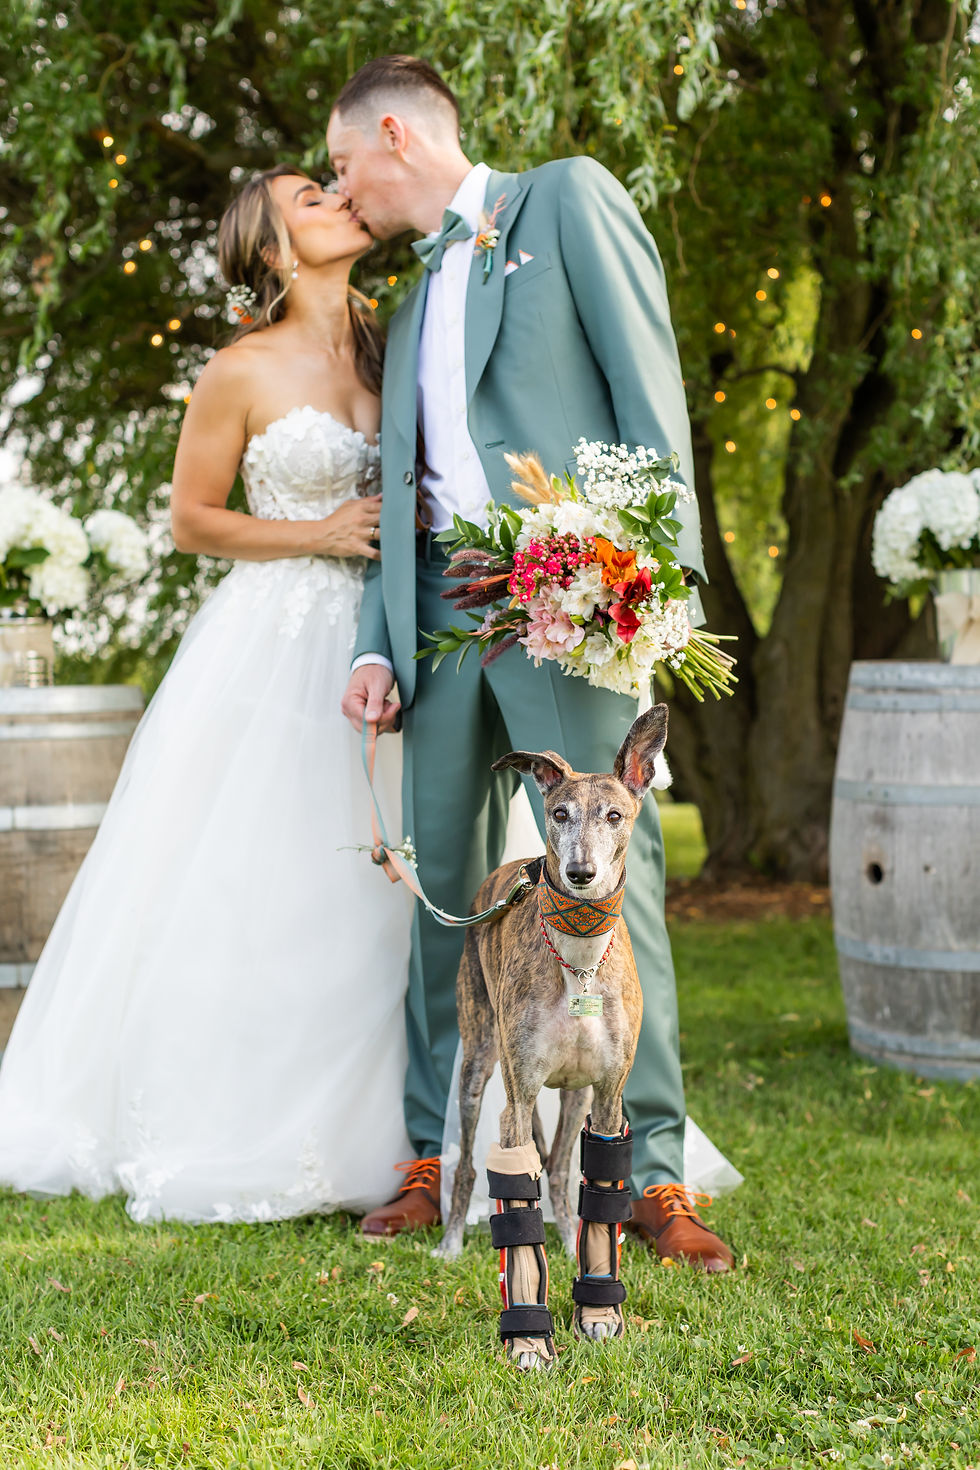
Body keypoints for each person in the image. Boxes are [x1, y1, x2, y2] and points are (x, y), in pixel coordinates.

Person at [332, 56, 735, 1269]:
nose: (343, 190)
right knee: (437, 891)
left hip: (567, 599)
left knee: (615, 886)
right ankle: (430, 1161)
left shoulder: (561, 200)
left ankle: (646, 1177)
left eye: (345, 163)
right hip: (437, 630)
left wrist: (652, 584)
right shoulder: (403, 309)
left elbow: (646, 389)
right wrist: (374, 641)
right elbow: (398, 498)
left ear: (392, 134)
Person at [0, 165, 416, 1223]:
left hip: (392, 639)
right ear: (272, 251)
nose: (336, 197)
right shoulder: (238, 369)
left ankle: (419, 1121)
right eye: (309, 199)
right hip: (274, 643)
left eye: (331, 185)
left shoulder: (396, 341)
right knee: (273, 871)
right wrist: (314, 533)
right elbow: (192, 518)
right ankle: (257, 1116)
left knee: (401, 870)